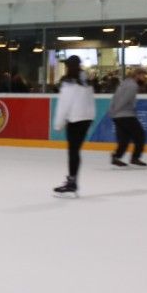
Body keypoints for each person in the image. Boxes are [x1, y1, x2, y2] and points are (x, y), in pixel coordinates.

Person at [53, 54, 96, 197]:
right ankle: (73, 180)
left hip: (74, 119)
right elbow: (91, 102)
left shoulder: (69, 82)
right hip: (85, 119)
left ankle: (72, 183)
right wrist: (90, 118)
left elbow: (64, 105)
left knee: (73, 151)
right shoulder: (86, 81)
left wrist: (58, 123)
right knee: (75, 151)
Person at [110, 67, 147, 167]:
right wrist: (116, 110)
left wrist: (113, 112)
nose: (144, 78)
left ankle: (116, 157)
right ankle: (135, 158)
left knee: (124, 139)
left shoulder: (123, 84)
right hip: (126, 115)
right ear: (137, 75)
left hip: (118, 116)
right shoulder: (133, 86)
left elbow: (115, 97)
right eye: (143, 75)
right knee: (140, 135)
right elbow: (124, 100)